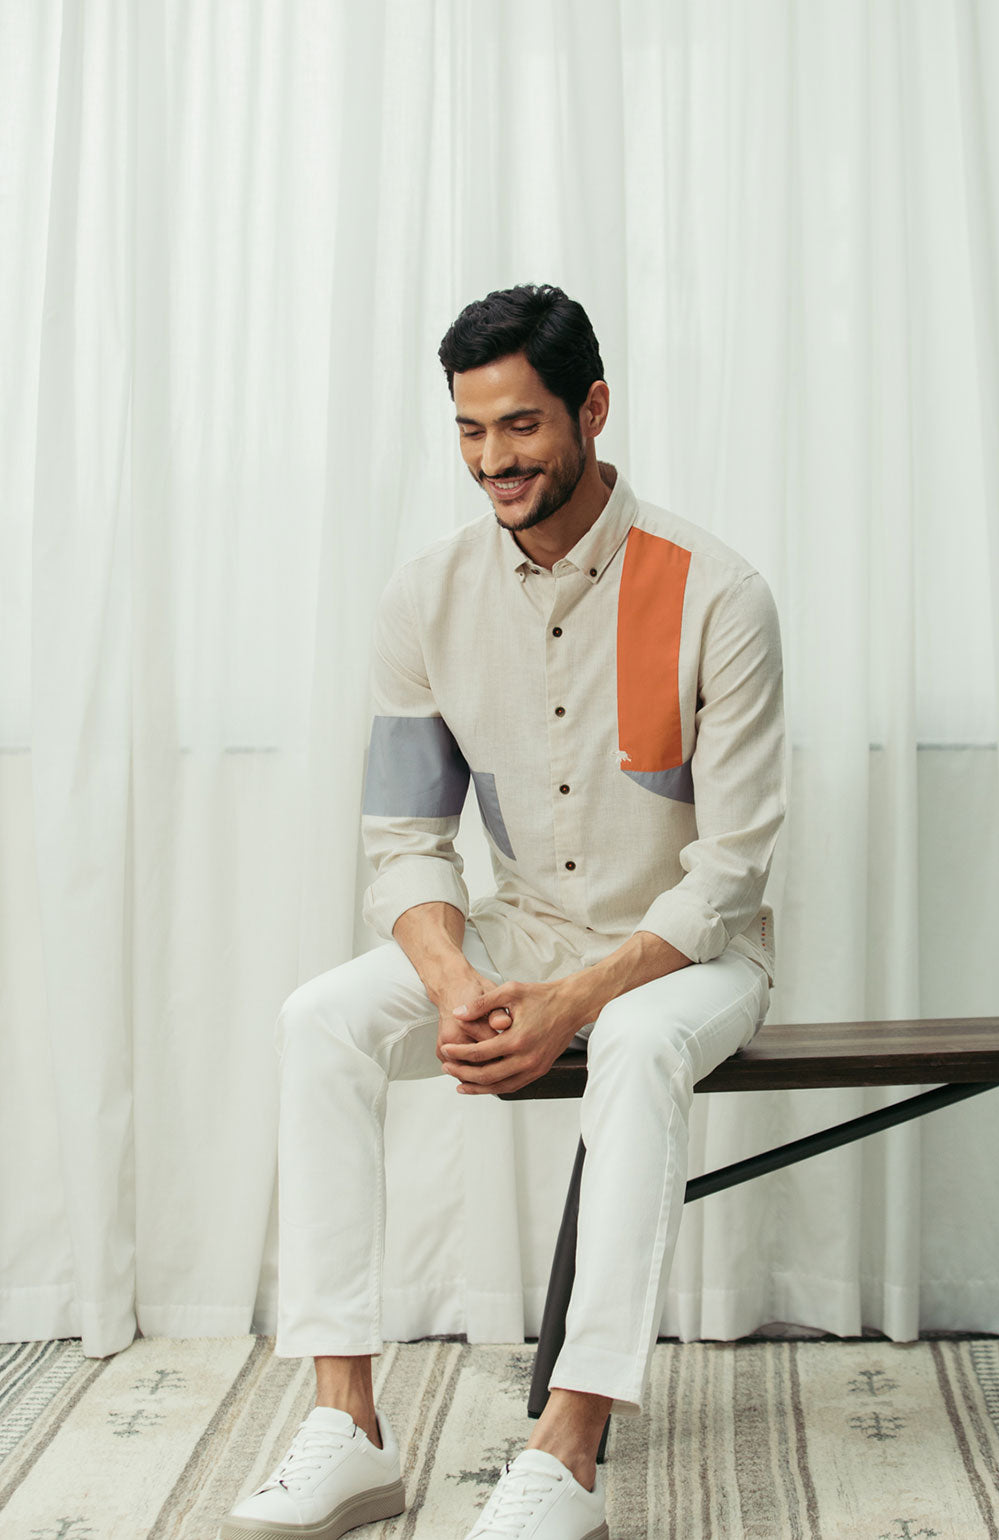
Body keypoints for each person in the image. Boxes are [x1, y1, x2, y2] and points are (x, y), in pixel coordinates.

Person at [220, 283, 786, 1540]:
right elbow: (404, 841)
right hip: (520, 930)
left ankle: (566, 1452)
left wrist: (574, 1001)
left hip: (692, 957)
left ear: (592, 409)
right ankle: (347, 1426)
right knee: (320, 1019)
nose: (493, 460)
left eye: (521, 425)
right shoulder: (424, 599)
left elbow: (731, 870)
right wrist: (457, 982)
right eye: (471, 431)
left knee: (634, 1036)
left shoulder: (717, 594)